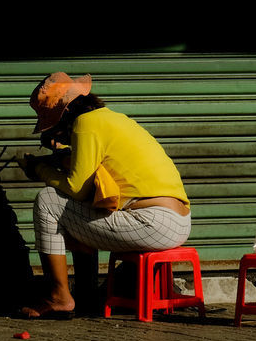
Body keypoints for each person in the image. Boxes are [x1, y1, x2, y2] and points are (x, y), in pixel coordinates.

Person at [17, 72, 191, 319]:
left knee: (48, 200)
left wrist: (39, 169)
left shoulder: (84, 124)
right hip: (178, 221)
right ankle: (85, 295)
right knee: (80, 208)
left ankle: (59, 296)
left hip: (152, 223)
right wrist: (57, 159)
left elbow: (77, 187)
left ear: (64, 114)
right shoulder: (111, 119)